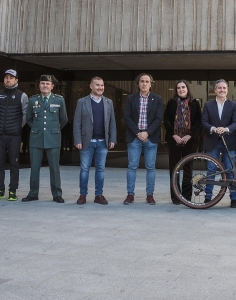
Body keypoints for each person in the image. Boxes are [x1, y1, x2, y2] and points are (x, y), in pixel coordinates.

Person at [22, 75, 68, 203]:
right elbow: (29, 119)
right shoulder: (33, 100)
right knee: (34, 167)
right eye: (42, 83)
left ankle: (57, 194)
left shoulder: (59, 100)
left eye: (48, 84)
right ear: (39, 85)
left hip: (53, 138)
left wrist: (53, 129)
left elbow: (63, 119)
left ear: (52, 86)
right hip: (36, 138)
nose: (45, 86)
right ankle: (33, 193)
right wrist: (36, 128)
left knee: (54, 168)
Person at [73, 77, 117, 205]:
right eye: (97, 85)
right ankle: (82, 195)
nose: (100, 87)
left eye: (102, 85)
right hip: (86, 141)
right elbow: (77, 123)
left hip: (103, 142)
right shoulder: (82, 102)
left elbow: (112, 122)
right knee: (84, 169)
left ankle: (99, 195)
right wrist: (77, 140)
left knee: (100, 169)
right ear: (91, 86)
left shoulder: (109, 102)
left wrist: (113, 139)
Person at [123, 73, 163, 205]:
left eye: (147, 81)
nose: (144, 83)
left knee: (150, 167)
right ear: (138, 84)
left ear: (151, 84)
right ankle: (130, 195)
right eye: (142, 81)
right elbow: (127, 117)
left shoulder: (157, 99)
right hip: (134, 137)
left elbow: (158, 119)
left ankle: (150, 195)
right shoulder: (131, 98)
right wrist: (138, 133)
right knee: (132, 166)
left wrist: (147, 132)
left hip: (150, 138)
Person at [0, 69, 28, 202]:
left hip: (14, 136)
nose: (8, 80)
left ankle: (13, 190)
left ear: (16, 80)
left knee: (14, 164)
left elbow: (25, 115)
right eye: (6, 77)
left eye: (11, 78)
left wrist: (17, 127)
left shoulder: (22, 96)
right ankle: (0, 190)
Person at [202, 79, 236, 207]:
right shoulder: (208, 105)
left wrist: (226, 129)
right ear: (215, 90)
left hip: (229, 141)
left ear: (227, 90)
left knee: (230, 170)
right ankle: (208, 198)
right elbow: (204, 122)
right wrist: (213, 128)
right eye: (219, 88)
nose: (222, 90)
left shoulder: (233, 105)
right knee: (211, 170)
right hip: (212, 140)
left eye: (224, 88)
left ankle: (233, 198)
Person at [164, 80, 202, 205]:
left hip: (190, 141)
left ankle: (186, 196)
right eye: (179, 88)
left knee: (188, 168)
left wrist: (189, 135)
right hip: (174, 140)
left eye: (183, 87)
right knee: (174, 168)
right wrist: (174, 135)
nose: (181, 90)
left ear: (187, 89)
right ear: (176, 90)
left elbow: (198, 122)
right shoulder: (171, 103)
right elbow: (166, 120)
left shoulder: (195, 103)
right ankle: (175, 196)